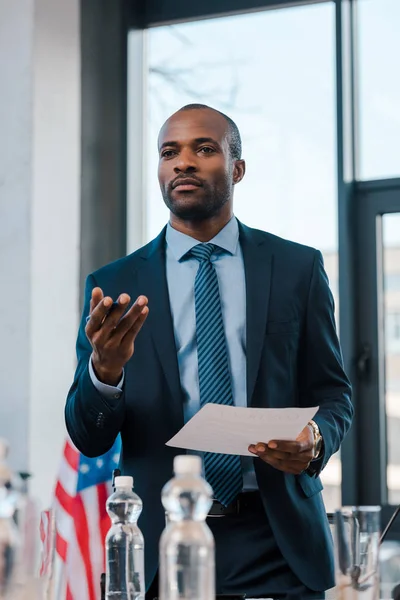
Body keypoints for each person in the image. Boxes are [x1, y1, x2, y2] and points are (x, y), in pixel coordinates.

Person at [65, 104, 353, 600]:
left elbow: (334, 395)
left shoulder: (296, 269)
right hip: (160, 540)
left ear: (237, 168)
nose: (183, 163)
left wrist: (315, 439)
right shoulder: (114, 285)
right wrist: (104, 373)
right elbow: (88, 439)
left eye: (203, 149)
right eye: (169, 152)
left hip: (278, 540)